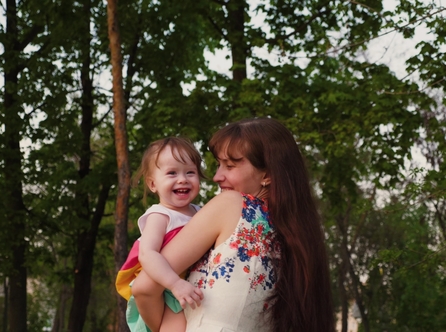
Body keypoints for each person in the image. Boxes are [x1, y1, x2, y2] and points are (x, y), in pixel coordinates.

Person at [132, 118, 335, 332]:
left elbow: (144, 287)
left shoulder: (231, 205)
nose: (217, 176)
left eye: (230, 166)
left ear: (266, 174)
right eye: (219, 165)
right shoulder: (296, 236)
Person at [115, 137, 205, 332]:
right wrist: (175, 284)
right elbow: (147, 254)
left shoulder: (201, 212)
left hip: (193, 284)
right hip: (165, 291)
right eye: (172, 173)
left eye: (190, 172)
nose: (183, 179)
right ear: (153, 184)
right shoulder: (160, 215)